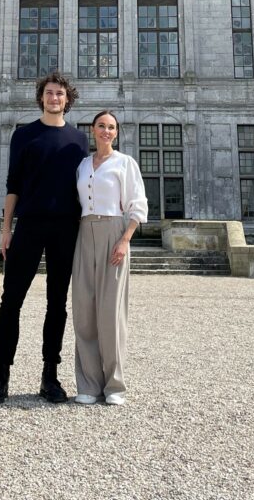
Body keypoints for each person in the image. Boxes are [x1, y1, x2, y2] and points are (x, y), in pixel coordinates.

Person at [0, 72, 88, 405]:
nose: (54, 98)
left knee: (56, 304)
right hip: (29, 225)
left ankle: (50, 376)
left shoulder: (79, 140)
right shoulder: (24, 136)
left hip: (66, 228)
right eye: (49, 93)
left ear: (67, 100)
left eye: (59, 94)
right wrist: (7, 227)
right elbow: (13, 185)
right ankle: (1, 376)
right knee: (10, 301)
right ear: (41, 98)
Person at [71, 109, 148, 406]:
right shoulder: (82, 165)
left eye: (111, 127)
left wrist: (125, 239)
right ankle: (89, 384)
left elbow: (136, 204)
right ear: (93, 130)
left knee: (111, 312)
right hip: (84, 231)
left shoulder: (125, 163)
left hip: (114, 231)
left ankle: (115, 385)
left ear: (117, 132)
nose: (106, 131)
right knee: (83, 310)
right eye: (101, 126)